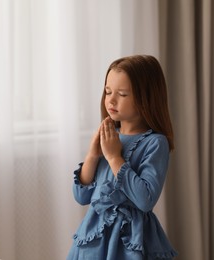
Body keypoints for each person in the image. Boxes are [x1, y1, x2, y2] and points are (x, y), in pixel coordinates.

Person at [67, 55, 178, 259]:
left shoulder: (155, 143)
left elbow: (145, 200)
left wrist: (114, 158)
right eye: (108, 92)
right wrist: (92, 155)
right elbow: (81, 196)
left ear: (146, 97)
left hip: (130, 242)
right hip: (95, 238)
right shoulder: (109, 135)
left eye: (122, 94)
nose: (111, 100)